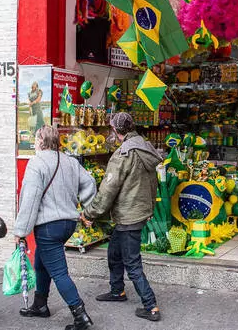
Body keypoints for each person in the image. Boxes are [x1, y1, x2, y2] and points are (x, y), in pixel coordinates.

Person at [13, 126, 97, 330]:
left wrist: (21, 231)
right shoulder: (70, 161)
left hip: (48, 225)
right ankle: (40, 305)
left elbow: (30, 199)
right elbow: (90, 183)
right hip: (68, 223)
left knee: (59, 272)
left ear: (40, 142)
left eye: (35, 140)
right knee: (42, 263)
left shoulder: (37, 163)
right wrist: (87, 208)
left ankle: (81, 316)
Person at [81, 112, 163, 322]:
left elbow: (108, 190)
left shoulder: (123, 154)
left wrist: (89, 213)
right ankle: (117, 291)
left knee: (132, 263)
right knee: (114, 253)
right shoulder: (145, 146)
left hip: (129, 215)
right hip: (139, 210)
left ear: (116, 130)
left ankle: (150, 305)